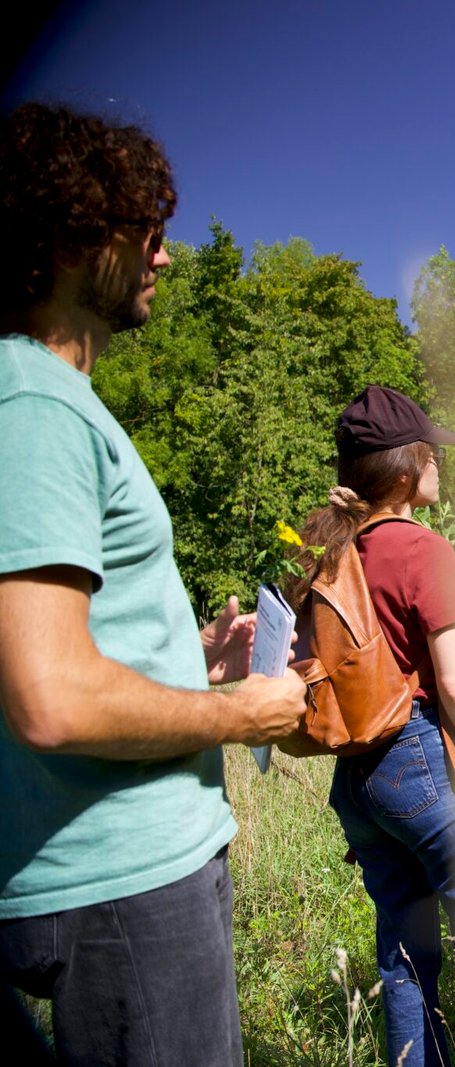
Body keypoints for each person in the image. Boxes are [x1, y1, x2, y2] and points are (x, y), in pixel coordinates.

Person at [0, 102, 307, 1063]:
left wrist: (198, 666)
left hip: (132, 869)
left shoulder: (55, 402)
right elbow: (50, 698)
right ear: (75, 235)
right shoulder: (33, 405)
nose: (165, 258)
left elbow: (71, 647)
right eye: (149, 233)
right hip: (122, 879)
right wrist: (242, 713)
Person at [286, 385, 455, 1067]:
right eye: (430, 453)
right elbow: (453, 682)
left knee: (404, 957)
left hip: (360, 783)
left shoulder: (330, 550)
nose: (439, 465)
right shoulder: (420, 548)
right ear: (403, 470)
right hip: (423, 766)